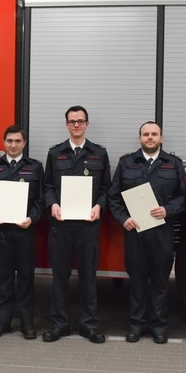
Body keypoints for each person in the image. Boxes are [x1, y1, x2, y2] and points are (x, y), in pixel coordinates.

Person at [108, 121, 186, 344]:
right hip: (136, 233)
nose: (150, 137)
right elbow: (113, 197)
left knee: (161, 283)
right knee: (137, 282)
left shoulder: (174, 164)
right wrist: (124, 219)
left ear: (161, 138)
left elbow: (184, 197)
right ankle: (136, 325)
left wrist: (168, 210)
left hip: (163, 233)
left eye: (154, 134)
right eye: (146, 134)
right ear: (139, 138)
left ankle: (159, 326)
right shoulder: (127, 163)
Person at [42, 105, 111, 343]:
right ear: (66, 125)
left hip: (87, 226)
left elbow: (105, 189)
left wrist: (99, 207)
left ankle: (89, 325)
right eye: (72, 121)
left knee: (88, 278)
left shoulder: (99, 154)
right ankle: (59, 324)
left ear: (87, 124)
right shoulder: (54, 153)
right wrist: (52, 204)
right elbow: (47, 186)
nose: (76, 125)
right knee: (59, 278)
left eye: (80, 121)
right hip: (60, 226)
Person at [0, 125, 44, 340]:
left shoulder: (35, 168)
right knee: (3, 280)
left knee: (26, 280)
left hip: (25, 233)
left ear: (24, 143)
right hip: (2, 233)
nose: (13, 145)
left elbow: (41, 200)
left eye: (17, 141)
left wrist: (32, 218)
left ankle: (27, 324)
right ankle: (2, 322)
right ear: (4, 143)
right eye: (9, 141)